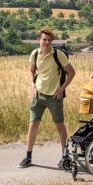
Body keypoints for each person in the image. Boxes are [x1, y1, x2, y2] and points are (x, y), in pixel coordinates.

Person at [19, 27, 76, 168]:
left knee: (59, 126)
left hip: (54, 97)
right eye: (44, 39)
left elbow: (71, 72)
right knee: (33, 125)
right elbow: (31, 71)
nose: (46, 42)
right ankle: (28, 157)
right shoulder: (35, 54)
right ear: (39, 39)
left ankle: (65, 157)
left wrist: (61, 90)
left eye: (49, 40)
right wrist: (32, 86)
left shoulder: (58, 55)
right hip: (38, 95)